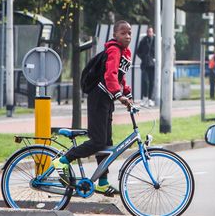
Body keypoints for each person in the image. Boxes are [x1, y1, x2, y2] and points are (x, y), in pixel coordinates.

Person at [51, 20, 134, 196]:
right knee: (97, 141)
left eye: (129, 33)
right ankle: (63, 160)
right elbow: (110, 74)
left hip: (107, 100)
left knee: (107, 143)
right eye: (123, 33)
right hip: (98, 98)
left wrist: (127, 93)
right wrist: (119, 95)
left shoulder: (125, 53)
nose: (127, 36)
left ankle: (102, 183)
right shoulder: (113, 50)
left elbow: (120, 77)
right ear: (115, 35)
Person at [136, 26, 155, 107]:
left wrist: (155, 58)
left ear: (152, 32)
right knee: (145, 82)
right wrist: (143, 57)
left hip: (153, 65)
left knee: (151, 82)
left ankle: (150, 99)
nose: (149, 33)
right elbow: (138, 51)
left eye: (150, 32)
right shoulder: (143, 40)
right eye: (148, 32)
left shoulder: (156, 41)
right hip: (145, 64)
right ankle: (144, 98)